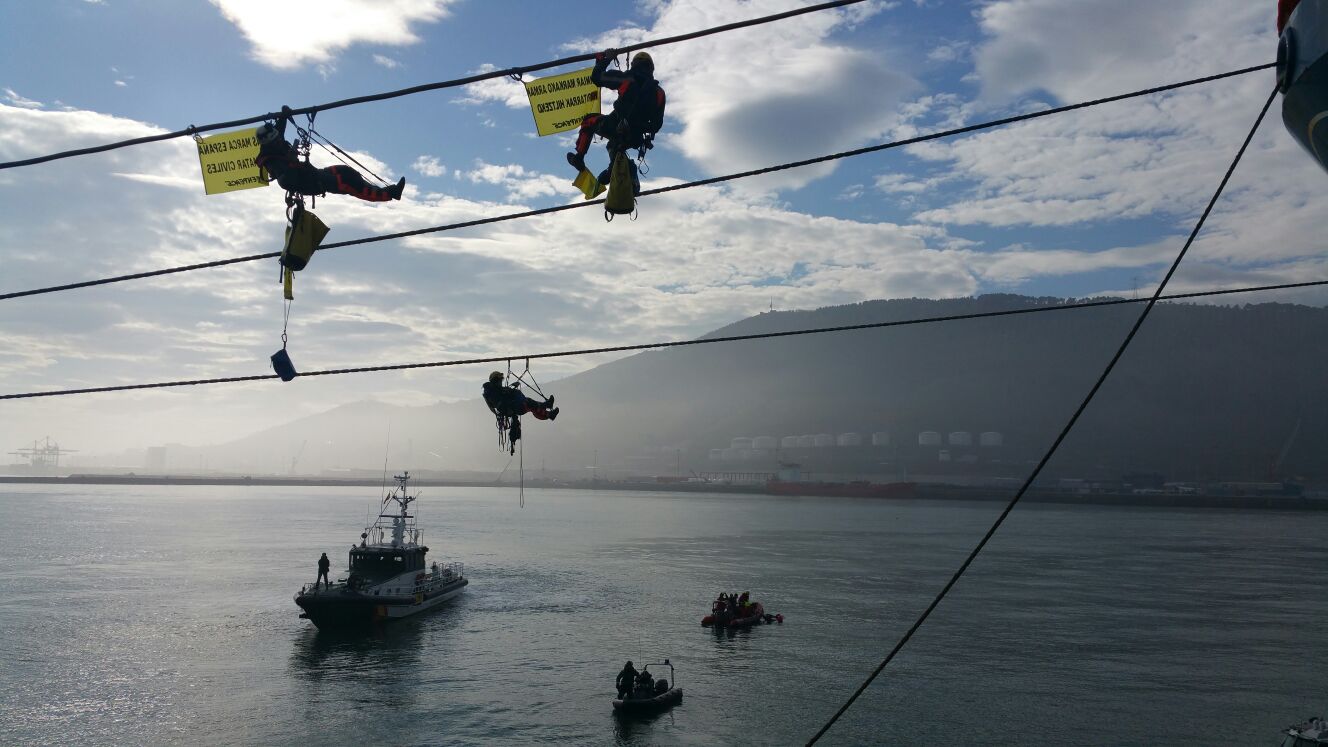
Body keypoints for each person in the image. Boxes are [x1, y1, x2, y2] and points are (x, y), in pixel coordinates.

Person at [255, 106, 405, 202]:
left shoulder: (274, 142)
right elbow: (288, 180)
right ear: (269, 143)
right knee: (347, 182)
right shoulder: (272, 161)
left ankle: (383, 190)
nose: (280, 141)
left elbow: (280, 129)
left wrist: (284, 115)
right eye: (276, 140)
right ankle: (390, 194)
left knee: (345, 171)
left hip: (313, 173)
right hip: (311, 182)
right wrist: (293, 160)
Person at [566, 49, 666, 192]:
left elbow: (597, 77)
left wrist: (606, 59)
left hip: (615, 126)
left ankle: (579, 157)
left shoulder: (627, 79)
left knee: (589, 121)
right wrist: (639, 127)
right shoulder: (659, 93)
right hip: (635, 137)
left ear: (634, 65)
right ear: (651, 69)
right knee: (614, 145)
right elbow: (657, 125)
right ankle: (613, 169)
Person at [482, 371, 558, 421]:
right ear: (495, 380)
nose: (501, 382)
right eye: (499, 380)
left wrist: (510, 388)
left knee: (530, 403)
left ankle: (547, 406)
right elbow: (500, 401)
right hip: (513, 408)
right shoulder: (492, 392)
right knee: (530, 404)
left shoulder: (493, 390)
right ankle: (549, 413)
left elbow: (502, 394)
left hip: (514, 406)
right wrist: (509, 391)